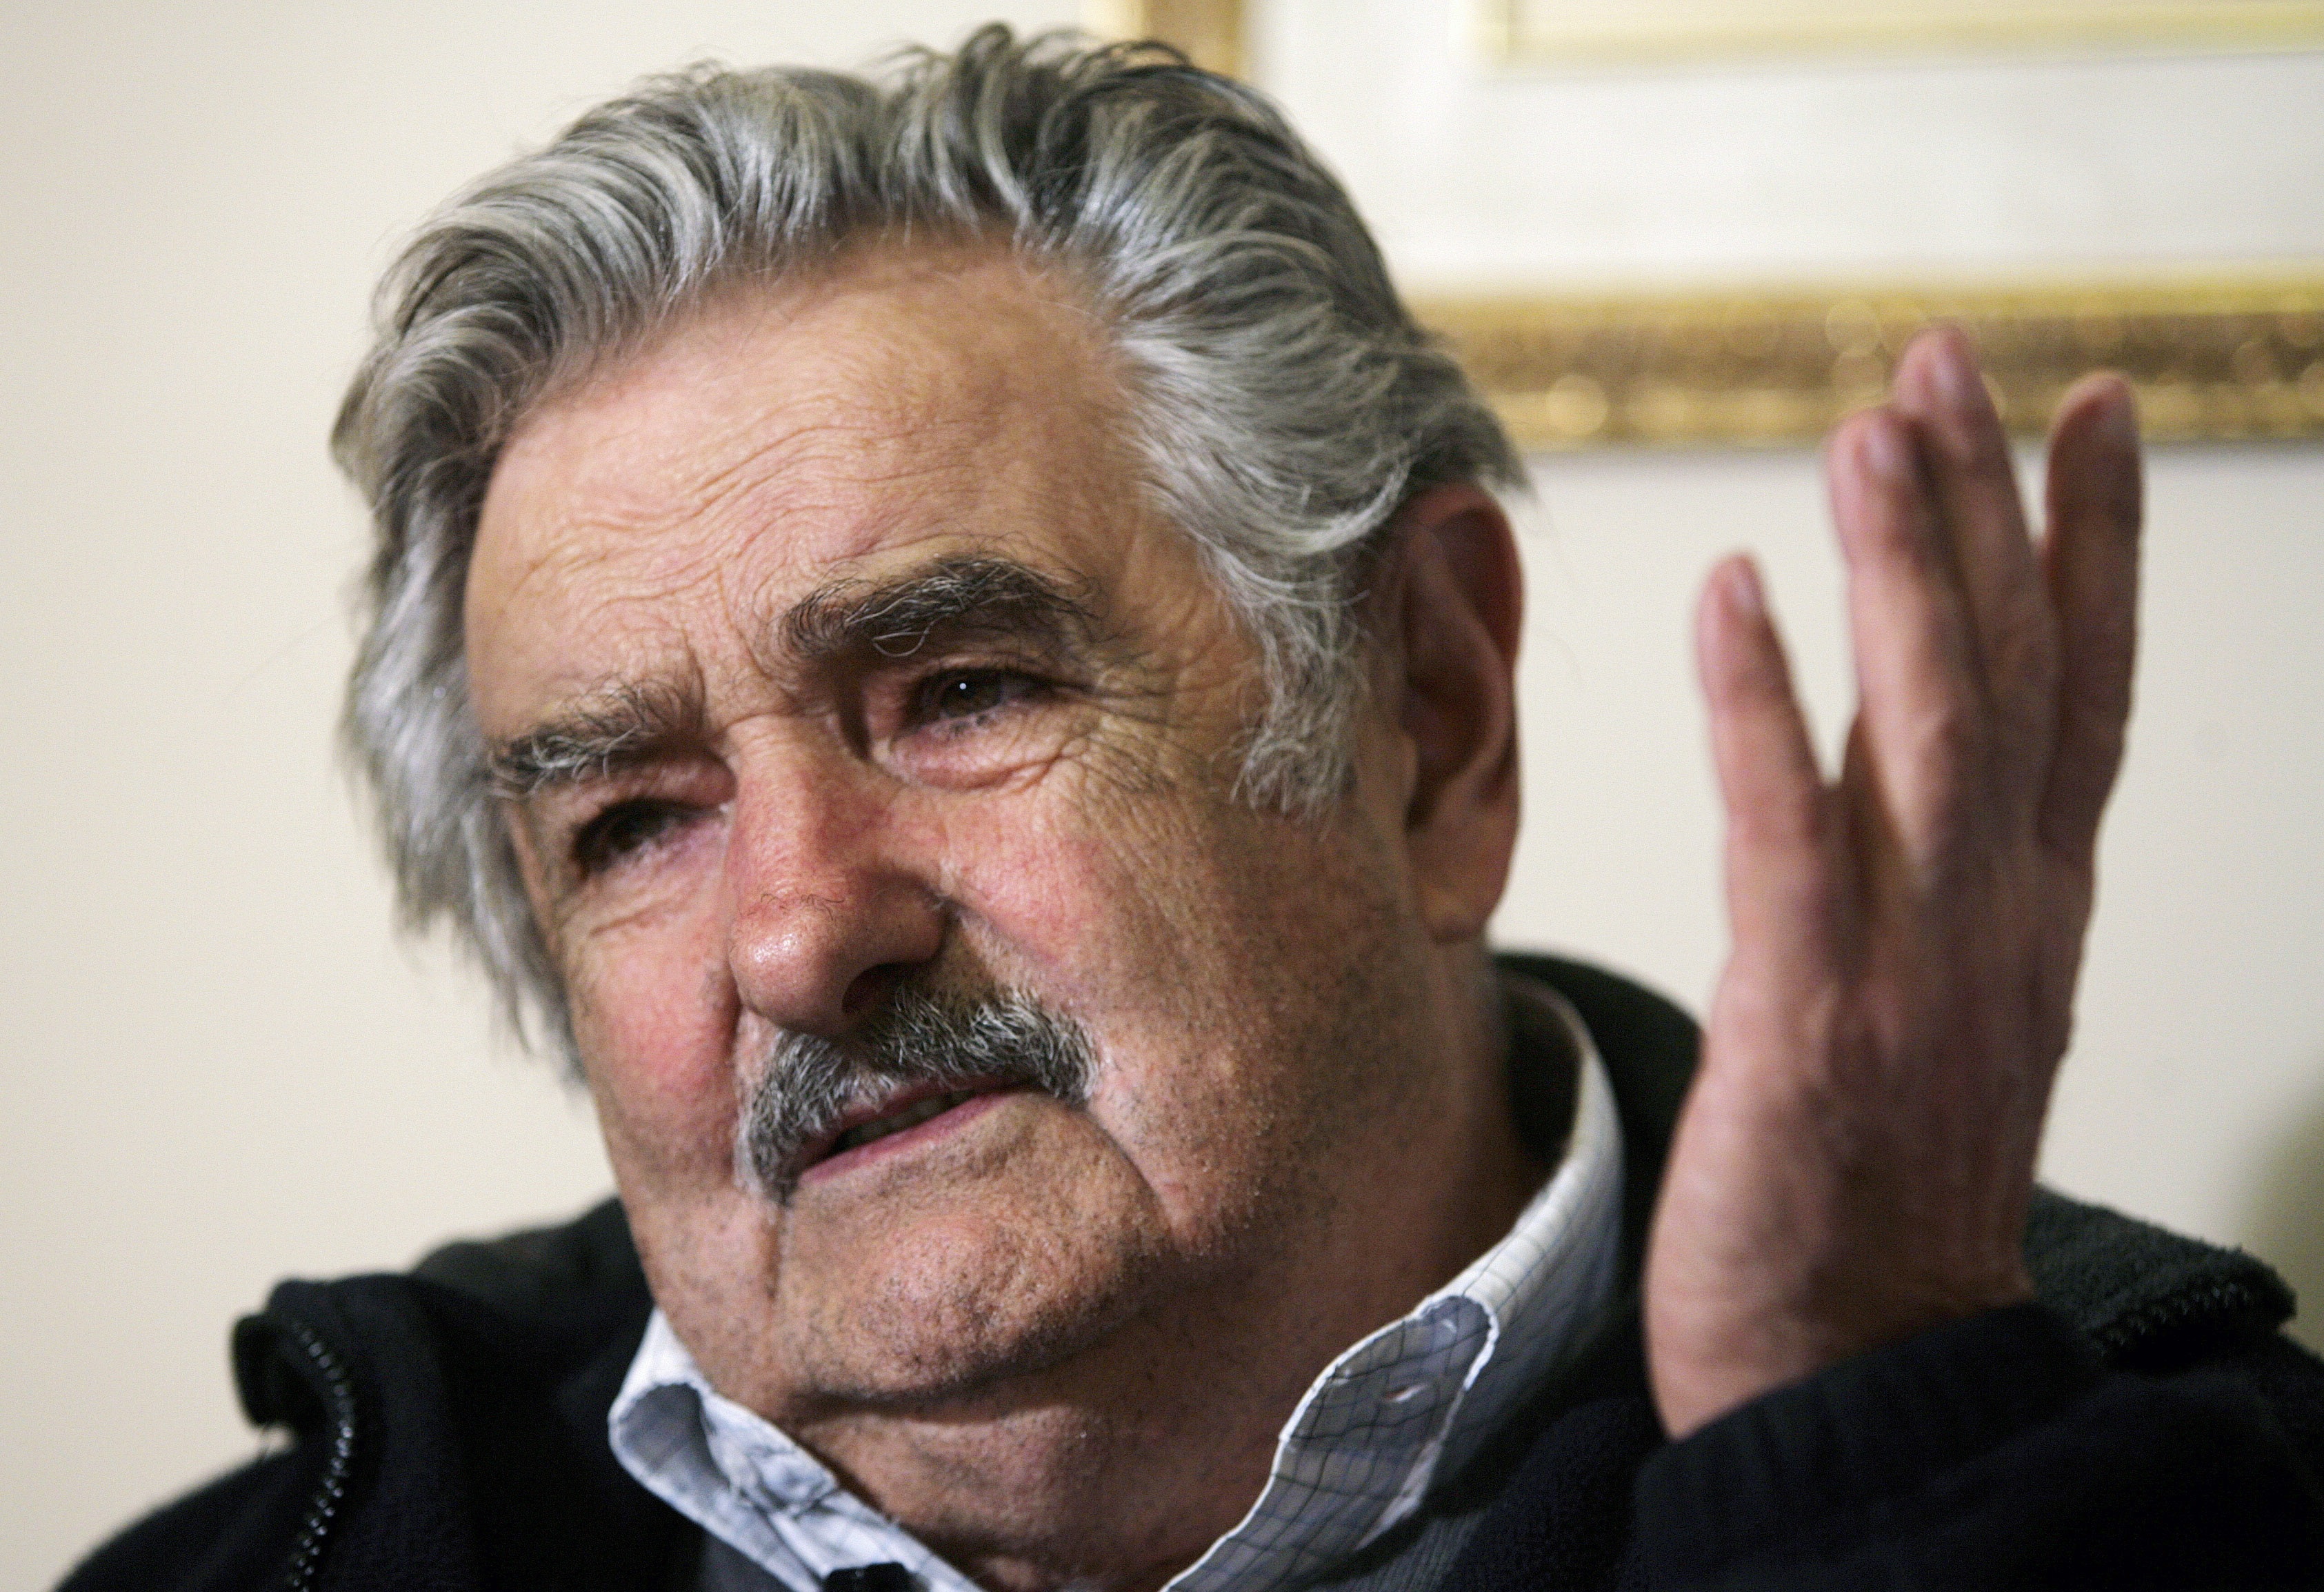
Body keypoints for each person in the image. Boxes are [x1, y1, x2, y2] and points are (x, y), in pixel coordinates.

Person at [62, 26, 2324, 1592]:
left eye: (956, 690)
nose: (796, 932)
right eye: (632, 822)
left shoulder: (2149, 1495)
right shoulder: (293, 1554)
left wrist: (1871, 1467)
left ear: (1424, 715)